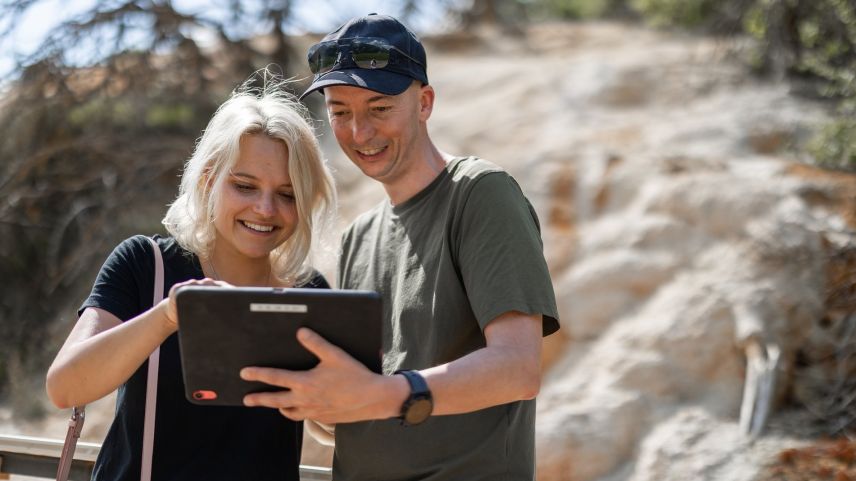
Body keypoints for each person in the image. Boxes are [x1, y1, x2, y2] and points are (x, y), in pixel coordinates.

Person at [240, 14, 560, 481]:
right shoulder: (359, 235)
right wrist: (315, 397)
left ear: (424, 102)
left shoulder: (479, 193)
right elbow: (366, 399)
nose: (359, 133)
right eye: (340, 111)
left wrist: (383, 394)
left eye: (379, 108)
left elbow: (518, 368)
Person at [45, 74, 336, 481]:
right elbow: (65, 387)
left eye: (287, 194)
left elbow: (329, 425)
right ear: (208, 179)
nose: (265, 209)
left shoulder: (309, 291)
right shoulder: (146, 264)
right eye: (245, 186)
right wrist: (167, 316)